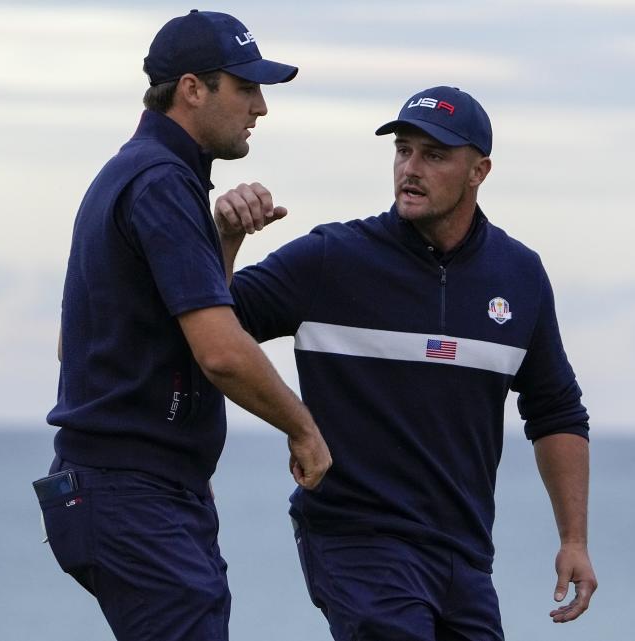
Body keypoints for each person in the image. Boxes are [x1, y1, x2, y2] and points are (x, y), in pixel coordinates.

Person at [215, 86, 596, 640]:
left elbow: (557, 412)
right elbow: (215, 327)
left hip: (462, 551)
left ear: (478, 171)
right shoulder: (331, 258)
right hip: (356, 538)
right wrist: (226, 240)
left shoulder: (519, 275)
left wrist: (574, 540)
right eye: (403, 150)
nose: (410, 168)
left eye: (434, 155)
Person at [36, 10, 331, 641]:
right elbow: (220, 353)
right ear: (193, 89)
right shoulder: (161, 183)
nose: (261, 107)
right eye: (246, 87)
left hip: (131, 492)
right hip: (132, 498)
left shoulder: (142, 174)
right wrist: (303, 428)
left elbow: (88, 338)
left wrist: (223, 240)